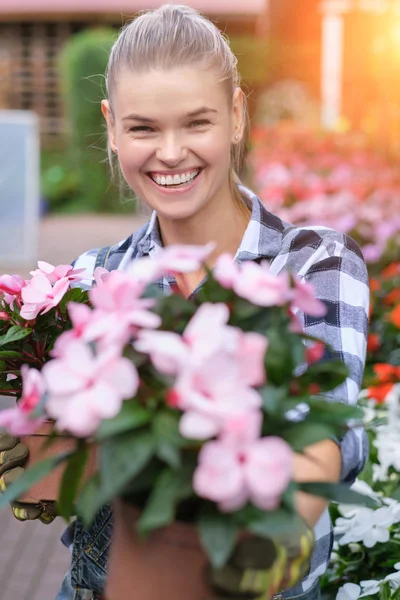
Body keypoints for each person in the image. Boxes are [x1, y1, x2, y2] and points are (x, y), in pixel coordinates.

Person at [0, 5, 369, 600]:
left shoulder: (310, 264)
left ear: (237, 116)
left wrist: (261, 540)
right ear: (112, 127)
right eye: (143, 128)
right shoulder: (96, 278)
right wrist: (51, 467)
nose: (170, 154)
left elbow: (323, 438)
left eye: (196, 123)